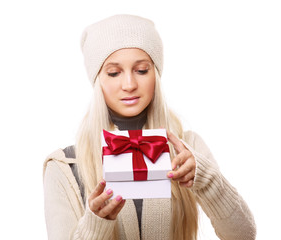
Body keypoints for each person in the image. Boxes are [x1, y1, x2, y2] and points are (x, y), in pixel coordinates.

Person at [43, 14, 256, 240]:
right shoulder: (63, 167)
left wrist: (208, 181)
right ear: (97, 80)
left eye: (142, 70)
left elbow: (243, 235)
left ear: (156, 74)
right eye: (114, 73)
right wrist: (95, 225)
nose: (129, 85)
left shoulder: (188, 149)